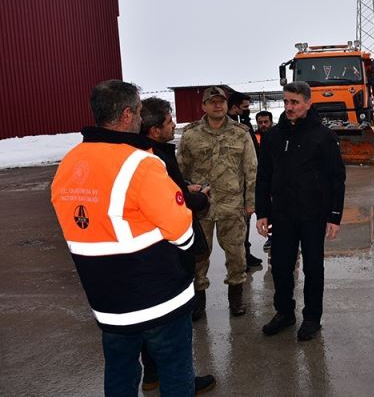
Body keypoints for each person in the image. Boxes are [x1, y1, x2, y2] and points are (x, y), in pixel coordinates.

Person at [51, 80, 198, 396]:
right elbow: (181, 229)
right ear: (128, 114)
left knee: (119, 374)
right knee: (175, 372)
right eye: (141, 111)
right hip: (159, 299)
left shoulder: (70, 163)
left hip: (107, 301)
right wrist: (186, 254)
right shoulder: (140, 163)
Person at [255, 81, 346, 342]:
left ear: (308, 103)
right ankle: (284, 313)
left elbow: (336, 179)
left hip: (313, 214)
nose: (289, 107)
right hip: (282, 214)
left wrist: (334, 216)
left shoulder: (324, 137)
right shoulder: (273, 136)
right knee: (281, 267)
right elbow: (263, 176)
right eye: (285, 102)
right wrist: (262, 211)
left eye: (294, 102)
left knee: (313, 268)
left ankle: (311, 318)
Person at [138, 98, 216, 394]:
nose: (174, 125)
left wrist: (185, 188)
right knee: (173, 327)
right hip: (170, 252)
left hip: (147, 255)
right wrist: (200, 198)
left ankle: (152, 375)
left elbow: (169, 192)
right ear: (155, 129)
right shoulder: (154, 158)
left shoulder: (143, 153)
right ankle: (180, 382)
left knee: (148, 325)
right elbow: (172, 206)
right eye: (170, 122)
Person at [178, 86, 258, 319]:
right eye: (212, 102)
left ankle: (236, 299)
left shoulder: (240, 133)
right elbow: (180, 170)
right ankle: (198, 302)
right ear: (203, 106)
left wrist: (250, 203)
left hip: (231, 206)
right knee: (198, 257)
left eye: (221, 102)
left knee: (236, 255)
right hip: (201, 206)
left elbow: (251, 170)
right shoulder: (191, 134)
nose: (217, 105)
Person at [227, 91, 263, 269]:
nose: (248, 110)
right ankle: (239, 259)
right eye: (245, 107)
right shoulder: (229, 127)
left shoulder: (245, 122)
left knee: (246, 220)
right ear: (234, 107)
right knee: (238, 223)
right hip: (235, 183)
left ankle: (245, 254)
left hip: (250, 179)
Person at [255, 110, 274, 251]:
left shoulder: (277, 136)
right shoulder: (253, 137)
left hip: (274, 177)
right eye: (260, 122)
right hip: (259, 177)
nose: (263, 125)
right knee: (265, 209)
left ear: (271, 122)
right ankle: (271, 238)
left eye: (265, 122)